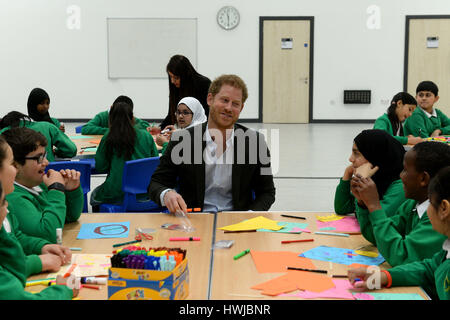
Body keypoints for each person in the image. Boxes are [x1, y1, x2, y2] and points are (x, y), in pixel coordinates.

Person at [148, 74, 276, 214]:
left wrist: (250, 214)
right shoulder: (182, 140)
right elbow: (156, 183)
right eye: (224, 100)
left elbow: (267, 192)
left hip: (237, 222)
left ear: (241, 108)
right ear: (210, 99)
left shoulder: (255, 143)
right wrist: (166, 193)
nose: (228, 108)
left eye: (235, 104)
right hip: (194, 220)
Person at [348, 166, 450, 300]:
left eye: (430, 202)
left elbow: (402, 256)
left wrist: (373, 206)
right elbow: (429, 268)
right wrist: (385, 276)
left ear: (444, 209)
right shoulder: (445, 253)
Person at [350, 141, 450, 267]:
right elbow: (377, 237)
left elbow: (401, 257)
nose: (400, 175)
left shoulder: (439, 217)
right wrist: (363, 203)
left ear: (423, 179)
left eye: (405, 170)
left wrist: (374, 206)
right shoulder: (412, 204)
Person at [0, 141, 77, 299]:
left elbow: (15, 237)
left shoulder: (34, 187)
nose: (47, 162)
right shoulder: (14, 197)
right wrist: (64, 290)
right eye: (11, 163)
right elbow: (48, 231)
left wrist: (42, 248)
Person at [3, 127, 83, 243]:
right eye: (39, 158)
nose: (46, 162)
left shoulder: (38, 185)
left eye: (45, 156)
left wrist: (71, 190)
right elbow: (48, 234)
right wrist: (56, 189)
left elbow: (69, 217)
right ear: (15, 165)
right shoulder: (14, 197)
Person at [90, 100, 159, 210]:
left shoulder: (108, 136)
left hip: (116, 192)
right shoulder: (146, 136)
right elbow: (154, 163)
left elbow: (101, 166)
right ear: (132, 118)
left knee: (94, 195)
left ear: (110, 118)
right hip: (144, 191)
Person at [334, 129, 407, 219]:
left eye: (356, 153)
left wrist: (362, 181)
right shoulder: (377, 177)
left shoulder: (401, 186)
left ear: (375, 156)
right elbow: (342, 208)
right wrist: (347, 173)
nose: (350, 159)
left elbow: (374, 220)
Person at [0, 111, 77, 162]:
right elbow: (71, 150)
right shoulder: (48, 126)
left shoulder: (4, 132)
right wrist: (56, 152)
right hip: (50, 174)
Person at [160, 55, 211, 130]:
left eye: (176, 78)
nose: (172, 81)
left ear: (185, 75)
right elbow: (171, 115)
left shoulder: (203, 84)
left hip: (202, 131)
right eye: (171, 77)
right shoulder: (175, 87)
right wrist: (160, 128)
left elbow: (207, 115)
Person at [81, 95, 150, 135]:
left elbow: (145, 125)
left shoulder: (128, 117)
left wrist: (125, 131)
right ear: (111, 108)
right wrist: (113, 131)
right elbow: (85, 129)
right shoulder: (102, 116)